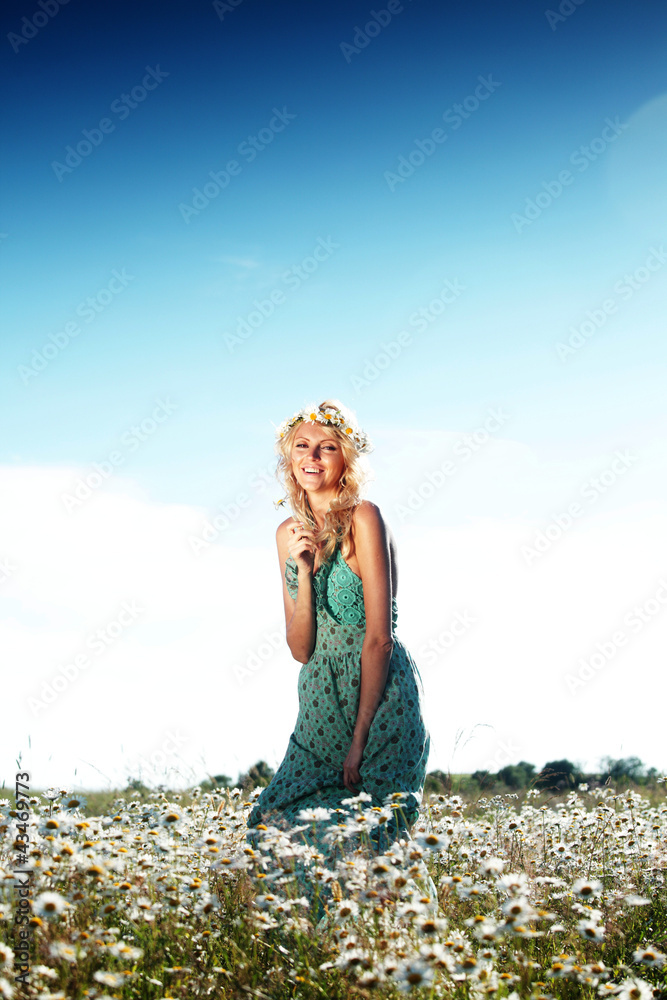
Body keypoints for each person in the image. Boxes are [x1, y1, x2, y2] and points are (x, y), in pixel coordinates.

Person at [247, 400, 429, 845]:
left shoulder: (364, 518)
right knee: (273, 823)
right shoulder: (286, 534)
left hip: (378, 696)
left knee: (373, 837)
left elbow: (380, 639)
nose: (312, 457)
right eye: (302, 446)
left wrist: (359, 737)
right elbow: (300, 649)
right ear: (289, 459)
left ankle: (385, 915)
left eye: (326, 447)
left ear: (344, 458)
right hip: (319, 704)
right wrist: (304, 573)